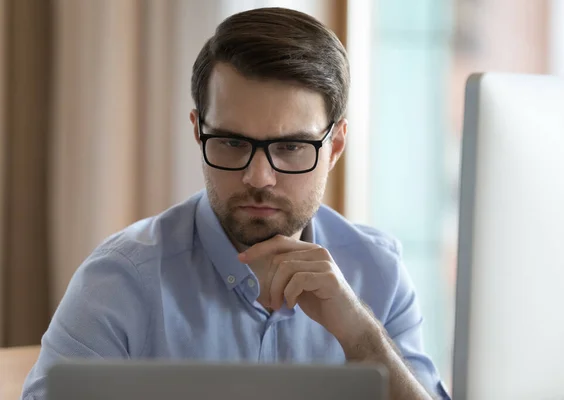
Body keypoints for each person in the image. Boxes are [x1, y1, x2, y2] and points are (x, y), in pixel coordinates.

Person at [21, 7, 450, 400]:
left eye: (290, 147)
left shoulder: (380, 273)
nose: (258, 177)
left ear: (335, 146)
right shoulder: (120, 280)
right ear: (197, 131)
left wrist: (360, 335)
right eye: (230, 142)